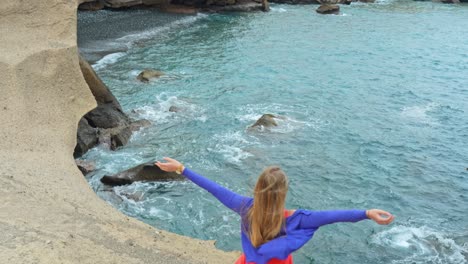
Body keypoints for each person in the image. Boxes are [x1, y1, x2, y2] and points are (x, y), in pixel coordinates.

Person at [156, 157, 394, 264]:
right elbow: (333, 216)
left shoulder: (244, 206)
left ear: (257, 188)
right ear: (283, 193)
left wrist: (182, 168)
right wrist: (366, 213)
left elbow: (214, 188)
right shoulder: (298, 220)